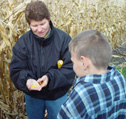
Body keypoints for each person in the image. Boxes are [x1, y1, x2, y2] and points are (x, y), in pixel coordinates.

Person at [10, 1, 75, 119]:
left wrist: (49, 78)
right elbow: (17, 69)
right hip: (33, 96)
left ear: (49, 19)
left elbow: (70, 68)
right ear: (28, 24)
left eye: (43, 24)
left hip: (57, 95)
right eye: (34, 26)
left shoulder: (64, 40)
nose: (39, 29)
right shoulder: (23, 43)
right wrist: (27, 80)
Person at [57, 30, 126, 119]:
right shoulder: (119, 78)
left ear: (83, 62)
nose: (73, 66)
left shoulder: (82, 93)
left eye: (73, 62)